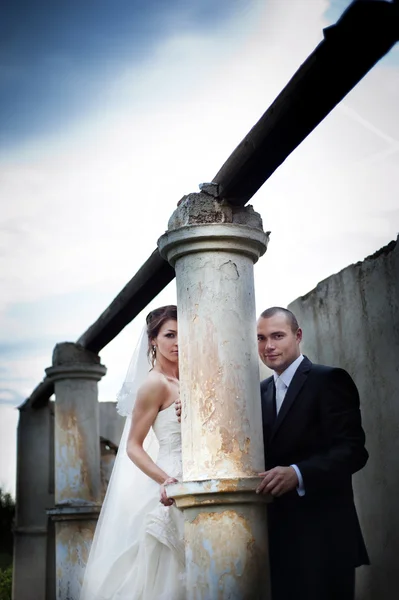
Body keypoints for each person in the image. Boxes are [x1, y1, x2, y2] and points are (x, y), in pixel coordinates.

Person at [256, 306, 369, 600]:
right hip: (276, 540)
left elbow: (353, 450)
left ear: (298, 335)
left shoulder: (329, 379)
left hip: (325, 537)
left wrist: (298, 473)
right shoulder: (258, 392)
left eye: (277, 336)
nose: (268, 346)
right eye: (261, 338)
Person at [80, 305, 186, 600]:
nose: (178, 342)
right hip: (172, 478)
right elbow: (133, 446)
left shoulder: (189, 379)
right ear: (153, 340)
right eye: (170, 335)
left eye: (183, 334)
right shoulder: (154, 384)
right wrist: (167, 480)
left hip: (199, 475)